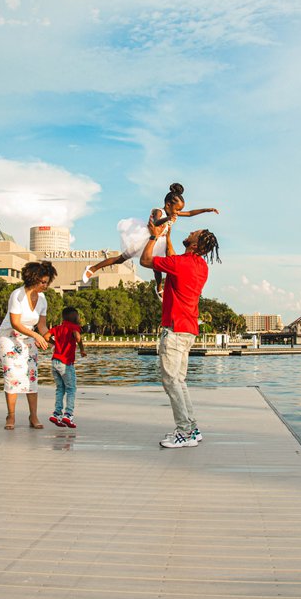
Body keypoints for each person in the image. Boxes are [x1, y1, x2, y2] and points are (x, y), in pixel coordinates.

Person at [140, 219, 220, 448]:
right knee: (179, 381)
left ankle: (184, 432)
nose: (193, 230)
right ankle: (192, 429)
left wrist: (154, 236)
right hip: (188, 330)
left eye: (196, 232)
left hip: (175, 330)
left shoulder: (181, 263)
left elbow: (146, 261)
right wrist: (168, 236)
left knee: (170, 381)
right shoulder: (200, 266)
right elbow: (174, 258)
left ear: (195, 244)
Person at [83, 183, 218, 298]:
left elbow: (189, 213)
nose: (178, 212)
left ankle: (158, 287)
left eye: (179, 210)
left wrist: (206, 210)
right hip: (146, 238)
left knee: (157, 267)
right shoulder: (159, 211)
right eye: (177, 209)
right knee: (121, 259)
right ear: (168, 204)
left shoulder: (173, 212)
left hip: (160, 240)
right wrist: (168, 219)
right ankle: (93, 268)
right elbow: (156, 221)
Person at [0, 260, 56, 430]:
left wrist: (53, 341)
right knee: (12, 375)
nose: (46, 285)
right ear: (33, 279)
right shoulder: (18, 295)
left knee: (31, 376)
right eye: (43, 282)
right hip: (9, 338)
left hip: (28, 338)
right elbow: (15, 323)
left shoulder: (43, 299)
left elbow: (42, 326)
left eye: (47, 282)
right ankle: (11, 415)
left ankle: (34, 416)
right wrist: (36, 335)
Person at [47, 306, 87, 429]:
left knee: (60, 389)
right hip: (66, 363)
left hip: (55, 362)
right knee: (71, 389)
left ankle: (57, 414)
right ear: (74, 317)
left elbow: (46, 336)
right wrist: (81, 349)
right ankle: (68, 414)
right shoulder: (74, 327)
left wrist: (56, 343)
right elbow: (78, 337)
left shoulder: (58, 328)